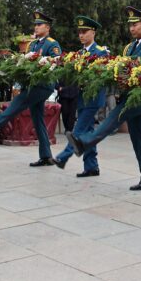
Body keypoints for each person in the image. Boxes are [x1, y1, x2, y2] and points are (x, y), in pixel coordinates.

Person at [66, 7, 141, 190]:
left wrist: (137, 72)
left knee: (112, 119)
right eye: (130, 26)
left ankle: (84, 143)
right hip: (129, 96)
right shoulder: (129, 47)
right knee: (137, 140)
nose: (132, 29)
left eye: (135, 25)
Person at [0, 10, 62, 167]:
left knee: (18, 103)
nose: (36, 27)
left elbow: (56, 63)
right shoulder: (32, 44)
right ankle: (46, 155)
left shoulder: (52, 44)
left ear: (47, 27)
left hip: (43, 85)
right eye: (35, 25)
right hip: (32, 84)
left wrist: (43, 62)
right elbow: (25, 63)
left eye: (39, 24)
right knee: (38, 119)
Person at [50, 16, 109, 177]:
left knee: (78, 130)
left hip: (94, 98)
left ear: (93, 32)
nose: (81, 35)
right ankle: (91, 167)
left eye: (85, 32)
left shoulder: (101, 53)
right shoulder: (79, 53)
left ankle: (63, 157)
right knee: (88, 131)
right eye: (79, 32)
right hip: (82, 98)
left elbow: (100, 77)